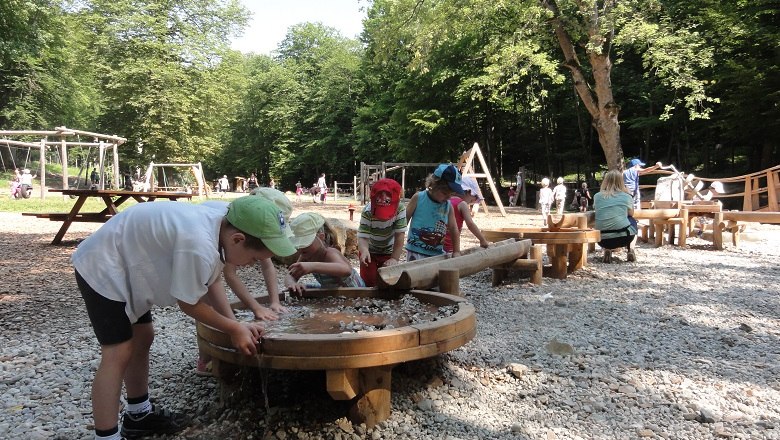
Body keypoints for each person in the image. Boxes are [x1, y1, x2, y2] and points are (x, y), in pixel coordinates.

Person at [71, 196, 296, 440]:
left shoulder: (224, 220)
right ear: (238, 239)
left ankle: (138, 414)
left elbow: (213, 280)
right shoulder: (198, 245)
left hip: (130, 261)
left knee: (144, 336)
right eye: (254, 259)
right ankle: (106, 436)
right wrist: (233, 327)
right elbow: (189, 304)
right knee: (118, 352)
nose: (251, 265)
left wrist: (236, 325)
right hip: (103, 268)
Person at [195, 187, 294, 376]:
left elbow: (267, 265)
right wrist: (255, 307)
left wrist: (274, 301)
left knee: (218, 308)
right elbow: (229, 275)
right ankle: (207, 357)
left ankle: (230, 339)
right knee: (206, 306)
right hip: (202, 256)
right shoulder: (234, 227)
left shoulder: (253, 225)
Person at [285, 212, 365, 294]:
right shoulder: (306, 255)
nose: (302, 248)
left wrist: (312, 266)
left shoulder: (330, 253)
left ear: (321, 237)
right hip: (331, 290)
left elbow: (346, 269)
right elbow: (290, 275)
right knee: (304, 288)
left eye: (306, 242)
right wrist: (292, 284)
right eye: (299, 244)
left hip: (355, 290)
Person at [405, 164, 464, 260]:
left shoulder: (448, 206)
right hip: (416, 250)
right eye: (445, 193)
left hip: (437, 253)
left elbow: (454, 229)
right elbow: (404, 220)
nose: (449, 197)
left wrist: (456, 251)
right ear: (434, 184)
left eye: (451, 194)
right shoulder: (418, 198)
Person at [357, 178, 407, 287]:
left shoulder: (400, 209)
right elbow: (363, 237)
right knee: (369, 281)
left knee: (388, 280)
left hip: (388, 250)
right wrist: (364, 251)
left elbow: (400, 236)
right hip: (369, 250)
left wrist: (394, 258)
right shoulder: (367, 211)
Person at [594, 170, 638, 263]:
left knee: (606, 219)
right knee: (632, 220)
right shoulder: (626, 196)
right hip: (624, 238)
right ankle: (631, 250)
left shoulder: (597, 196)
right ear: (621, 182)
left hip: (602, 240)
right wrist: (629, 194)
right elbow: (631, 213)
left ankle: (607, 250)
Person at [443, 176, 490, 254]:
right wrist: (482, 240)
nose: (474, 200)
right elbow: (470, 224)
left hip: (439, 243)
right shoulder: (462, 204)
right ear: (468, 191)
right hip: (451, 245)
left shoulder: (445, 201)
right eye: (475, 196)